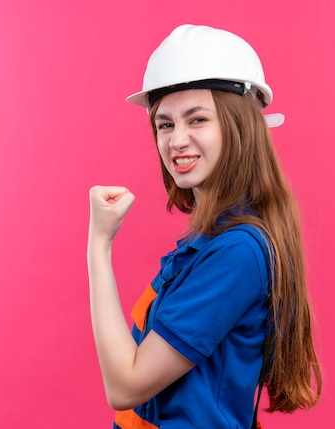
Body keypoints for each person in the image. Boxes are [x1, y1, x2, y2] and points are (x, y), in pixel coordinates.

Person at [87, 24, 322, 429]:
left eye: (196, 119)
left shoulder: (237, 252)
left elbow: (125, 386)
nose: (176, 140)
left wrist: (98, 245)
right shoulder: (211, 242)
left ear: (240, 128)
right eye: (164, 124)